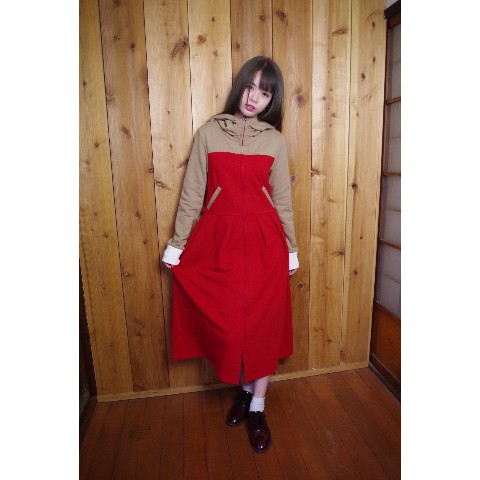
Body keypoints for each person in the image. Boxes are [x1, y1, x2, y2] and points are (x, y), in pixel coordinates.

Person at [162, 56, 299, 453]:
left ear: (272, 100)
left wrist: (291, 249)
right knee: (230, 325)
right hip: (219, 245)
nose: (254, 97)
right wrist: (178, 243)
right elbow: (192, 193)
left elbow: (282, 201)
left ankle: (257, 406)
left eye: (265, 93)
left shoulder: (274, 141)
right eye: (250, 87)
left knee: (262, 326)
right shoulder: (208, 134)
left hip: (265, 245)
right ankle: (243, 388)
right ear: (240, 86)